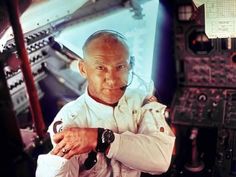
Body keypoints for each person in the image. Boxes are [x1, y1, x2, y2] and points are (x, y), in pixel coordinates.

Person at [36, 30, 175, 177]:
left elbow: (161, 160)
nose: (112, 79)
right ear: (83, 69)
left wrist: (100, 138)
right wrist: (56, 163)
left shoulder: (141, 100)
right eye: (101, 68)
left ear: (130, 65)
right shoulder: (70, 120)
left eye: (120, 67)